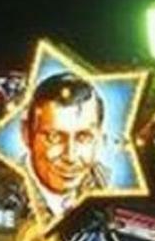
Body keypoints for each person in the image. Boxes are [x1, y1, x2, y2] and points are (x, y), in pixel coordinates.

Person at [21, 72, 109, 221]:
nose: (70, 156)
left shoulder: (111, 188)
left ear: (101, 140)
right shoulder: (3, 187)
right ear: (26, 135)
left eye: (84, 137)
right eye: (54, 137)